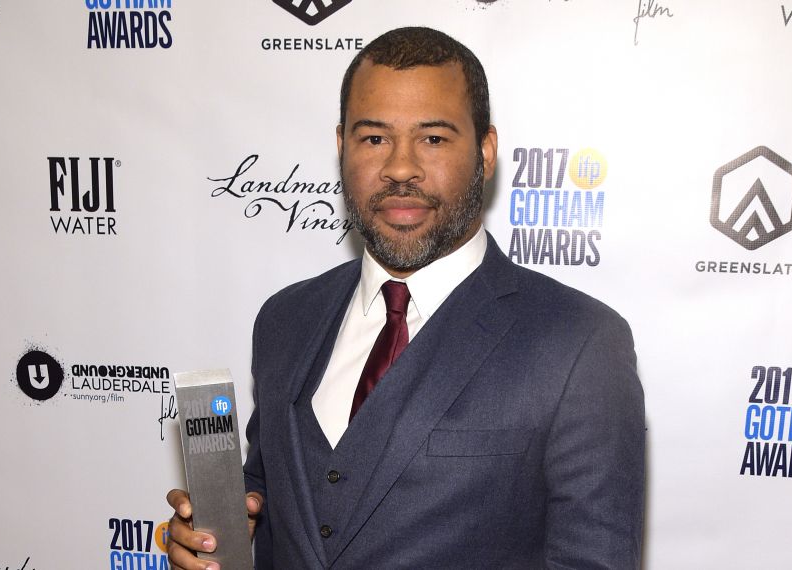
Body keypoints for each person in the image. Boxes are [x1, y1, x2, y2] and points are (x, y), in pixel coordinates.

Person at [167, 26, 644, 570]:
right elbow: (275, 491)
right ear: (341, 145)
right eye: (374, 138)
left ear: (485, 152)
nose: (400, 168)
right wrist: (225, 528)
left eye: (434, 139)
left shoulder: (579, 342)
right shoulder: (285, 318)